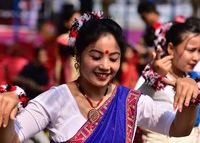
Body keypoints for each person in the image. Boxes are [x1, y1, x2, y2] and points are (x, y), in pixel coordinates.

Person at [0, 11, 199, 143]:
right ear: (78, 55)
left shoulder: (130, 102)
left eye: (113, 58)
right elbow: (12, 138)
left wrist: (191, 99)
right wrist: (7, 110)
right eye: (95, 57)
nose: (105, 66)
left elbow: (177, 128)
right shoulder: (57, 98)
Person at [136, 17, 200, 143]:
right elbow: (133, 104)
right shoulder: (153, 76)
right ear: (171, 48)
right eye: (191, 50)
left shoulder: (194, 78)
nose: (196, 57)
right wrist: (154, 77)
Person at [55, 4, 81, 85]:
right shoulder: (62, 39)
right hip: (69, 76)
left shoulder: (86, 38)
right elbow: (59, 61)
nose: (78, 23)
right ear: (66, 23)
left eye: (80, 20)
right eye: (74, 20)